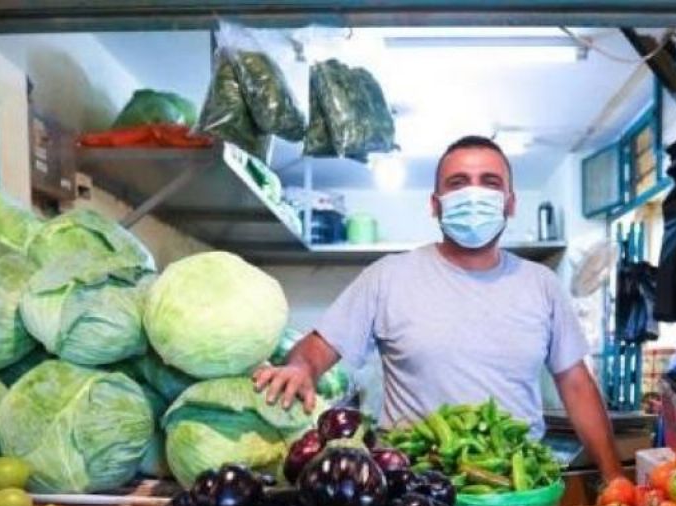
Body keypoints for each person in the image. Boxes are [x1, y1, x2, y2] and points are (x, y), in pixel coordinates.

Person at [254, 135, 623, 482]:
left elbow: (577, 385)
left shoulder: (542, 284)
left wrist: (613, 479)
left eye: (490, 183)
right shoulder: (387, 277)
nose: (474, 194)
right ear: (435, 204)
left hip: (517, 486)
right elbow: (319, 347)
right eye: (458, 183)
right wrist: (300, 367)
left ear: (510, 203)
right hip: (412, 486)